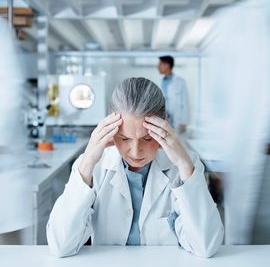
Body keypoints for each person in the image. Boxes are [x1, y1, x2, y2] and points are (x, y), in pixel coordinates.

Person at [46, 77, 223, 258]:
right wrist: (88, 162)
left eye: (147, 138)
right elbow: (61, 245)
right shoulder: (94, 166)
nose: (136, 152)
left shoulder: (183, 165)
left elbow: (205, 246)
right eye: (124, 138)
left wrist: (185, 166)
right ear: (110, 128)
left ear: (163, 126)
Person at [158, 55, 189, 134]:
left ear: (167, 65)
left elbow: (185, 103)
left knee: (176, 142)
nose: (158, 67)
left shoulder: (180, 82)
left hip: (177, 119)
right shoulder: (161, 82)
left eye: (160, 64)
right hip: (165, 118)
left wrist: (184, 121)